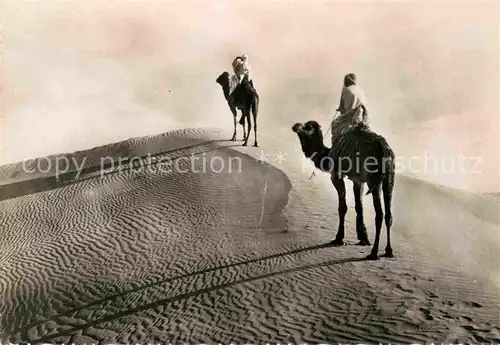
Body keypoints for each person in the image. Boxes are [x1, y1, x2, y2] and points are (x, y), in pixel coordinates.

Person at [330, 73, 369, 139]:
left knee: (334, 124)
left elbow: (347, 109)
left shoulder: (346, 90)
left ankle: (336, 145)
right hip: (362, 117)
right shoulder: (359, 90)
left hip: (352, 118)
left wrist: (341, 109)